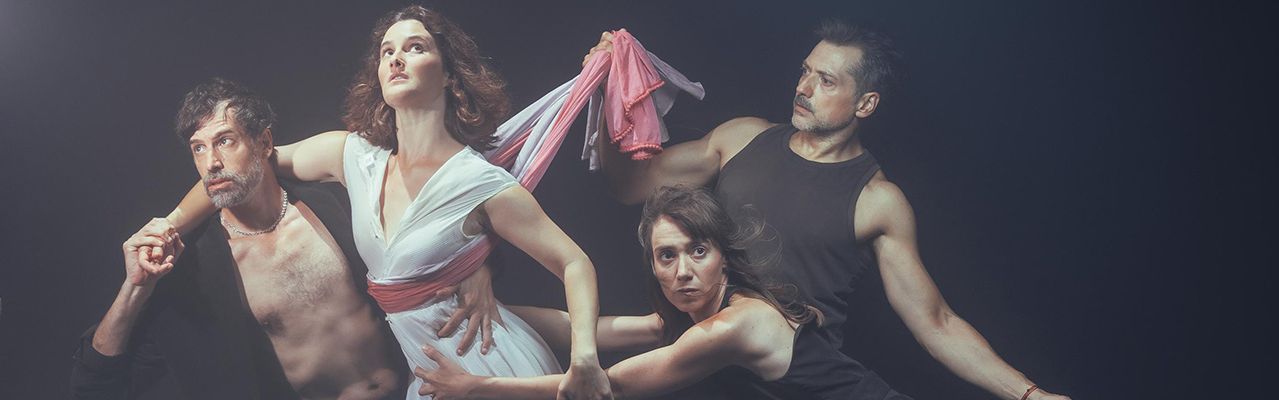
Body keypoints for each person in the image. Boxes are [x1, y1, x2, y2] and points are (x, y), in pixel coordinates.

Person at [587, 20, 1068, 400]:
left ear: (865, 103)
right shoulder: (740, 139)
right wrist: (607, 85)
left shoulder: (877, 201)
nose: (804, 87)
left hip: (801, 382)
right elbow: (629, 185)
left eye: (826, 81)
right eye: (805, 71)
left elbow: (936, 322)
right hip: (703, 369)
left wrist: (1029, 394)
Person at [156, 6, 610, 400]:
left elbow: (574, 262)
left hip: (494, 371)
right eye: (386, 51)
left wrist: (585, 358)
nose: (396, 58)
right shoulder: (354, 157)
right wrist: (168, 224)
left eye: (415, 47)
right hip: (428, 384)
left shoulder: (478, 182)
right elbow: (242, 167)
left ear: (449, 74)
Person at [70, 78, 405, 399]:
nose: (211, 163)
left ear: (264, 142)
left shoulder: (337, 206)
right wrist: (134, 287)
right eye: (198, 148)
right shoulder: (199, 271)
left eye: (225, 141)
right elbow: (95, 385)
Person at [412, 186, 912, 399]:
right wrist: (487, 306)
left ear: (723, 256)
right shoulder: (686, 321)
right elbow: (582, 328)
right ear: (653, 266)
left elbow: (609, 385)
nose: (683, 272)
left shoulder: (734, 325)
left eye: (698, 251)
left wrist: (478, 387)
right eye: (666, 256)